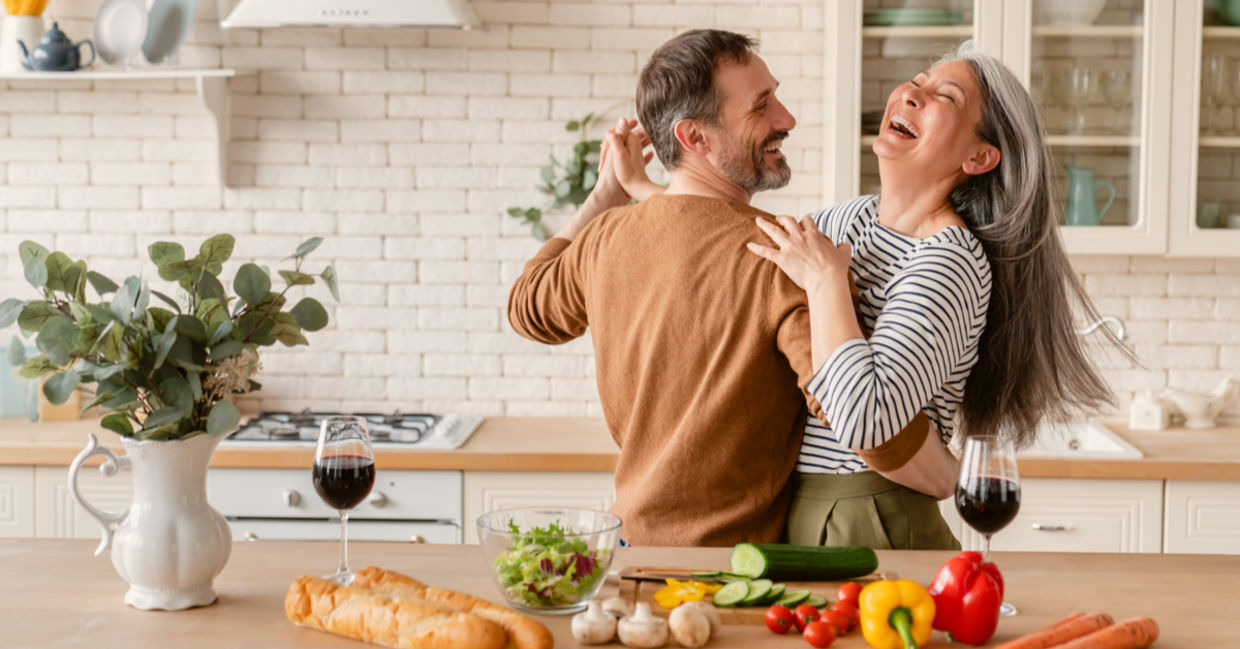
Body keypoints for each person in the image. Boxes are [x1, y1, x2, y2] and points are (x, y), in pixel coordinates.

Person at [606, 40, 1120, 549]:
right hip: (800, 509)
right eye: (917, 81)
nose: (912, 95)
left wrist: (828, 283)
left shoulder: (949, 260)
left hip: (874, 515)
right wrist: (644, 188)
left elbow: (867, 420)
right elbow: (741, 242)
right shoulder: (849, 220)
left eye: (947, 97)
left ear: (980, 156)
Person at [507, 29, 927, 547]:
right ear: (694, 137)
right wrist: (954, 475)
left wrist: (603, 196)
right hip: (726, 578)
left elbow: (527, 307)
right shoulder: (778, 256)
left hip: (626, 555)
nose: (787, 119)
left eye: (775, 94)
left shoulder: (605, 239)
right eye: (761, 106)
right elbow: (870, 426)